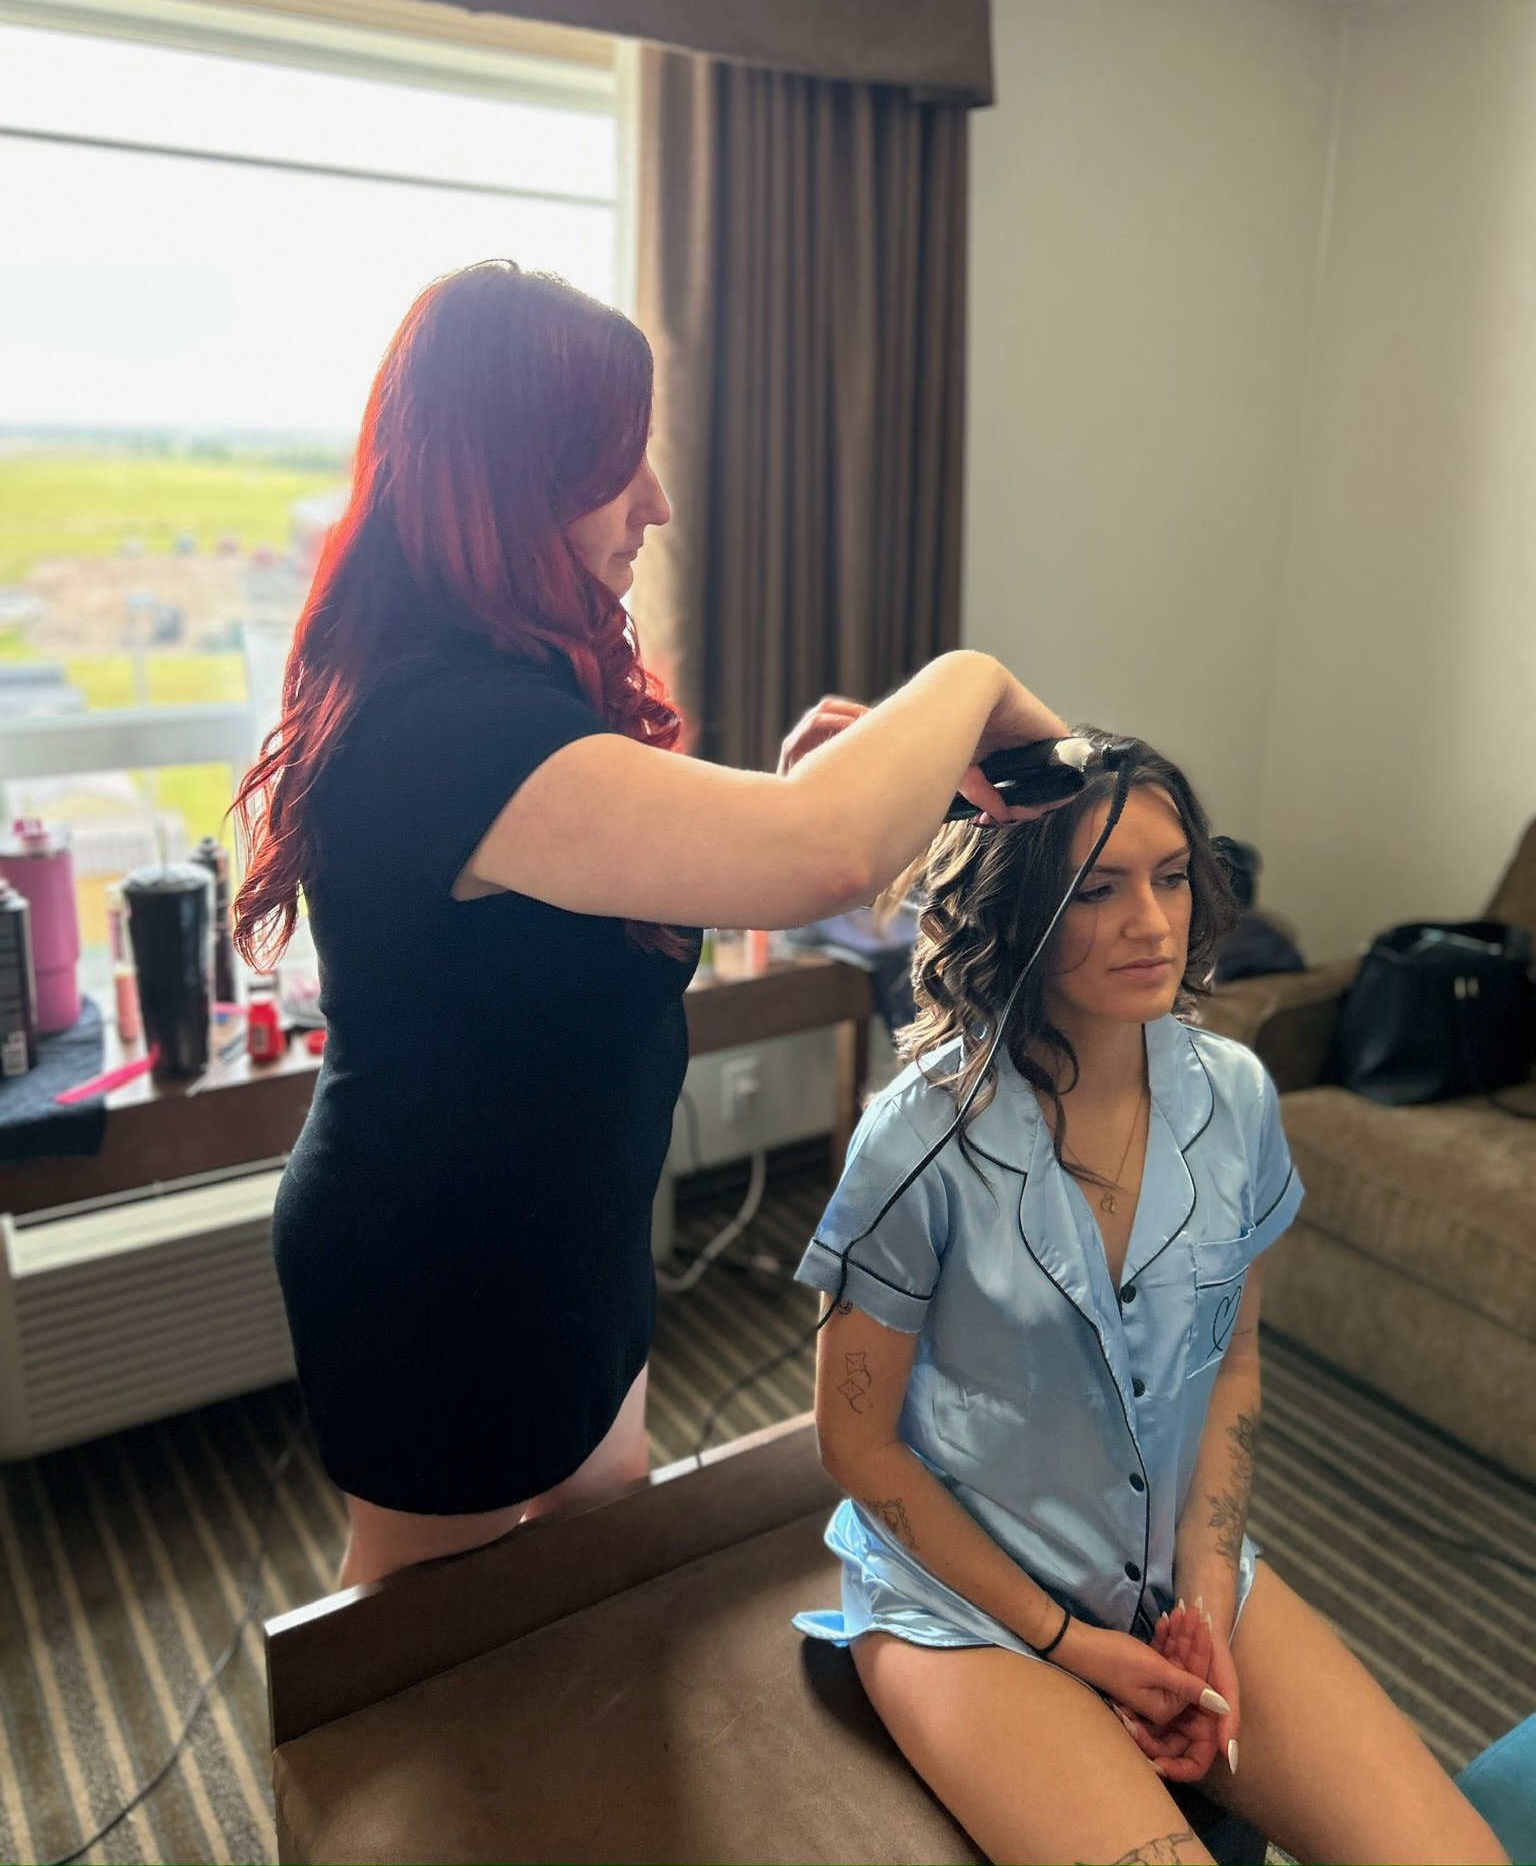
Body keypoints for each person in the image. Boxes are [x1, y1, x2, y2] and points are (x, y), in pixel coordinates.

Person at [231, 259, 1067, 1590]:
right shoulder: (450, 726)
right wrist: (967, 683)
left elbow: (699, 862)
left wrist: (790, 804)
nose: (658, 507)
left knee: (599, 1581)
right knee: (425, 1660)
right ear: (510, 478)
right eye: (619, 468)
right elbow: (827, 854)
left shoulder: (496, 701)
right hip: (442, 1263)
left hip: (572, 1229)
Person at [794, 734, 1508, 1865]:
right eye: (1099, 887)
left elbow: (1234, 1364)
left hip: (1175, 1574)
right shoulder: (917, 1138)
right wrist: (1071, 1640)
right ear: (1022, 906)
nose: (1154, 921)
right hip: (968, 1606)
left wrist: (1209, 1592)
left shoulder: (1235, 1096)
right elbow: (853, 1441)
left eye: (1172, 877)